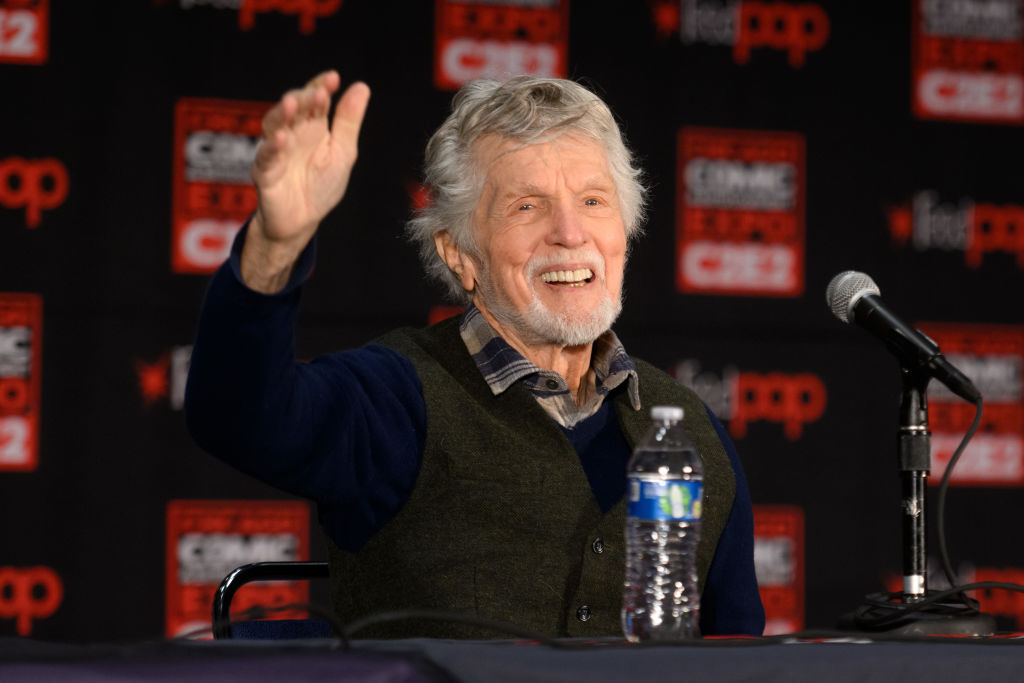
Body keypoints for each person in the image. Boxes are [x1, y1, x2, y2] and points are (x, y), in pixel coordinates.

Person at [185, 70, 765, 638]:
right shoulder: (396, 397)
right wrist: (275, 246)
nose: (570, 232)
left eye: (593, 200)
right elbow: (239, 417)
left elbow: (741, 657)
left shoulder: (689, 428)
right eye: (526, 207)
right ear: (459, 253)